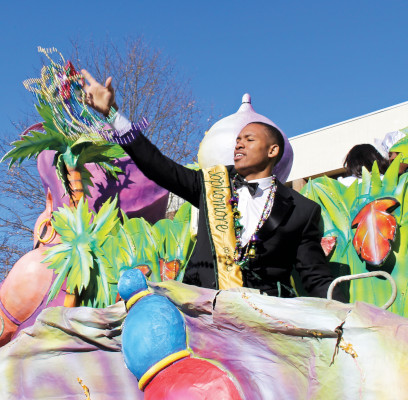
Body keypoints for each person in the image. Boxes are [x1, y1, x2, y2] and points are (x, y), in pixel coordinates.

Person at [81, 69, 344, 301]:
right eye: (238, 139)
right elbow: (159, 166)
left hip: (263, 321)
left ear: (272, 150)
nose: (238, 144)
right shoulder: (210, 183)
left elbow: (315, 277)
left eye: (249, 139)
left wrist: (344, 314)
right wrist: (113, 116)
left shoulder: (302, 210)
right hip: (202, 312)